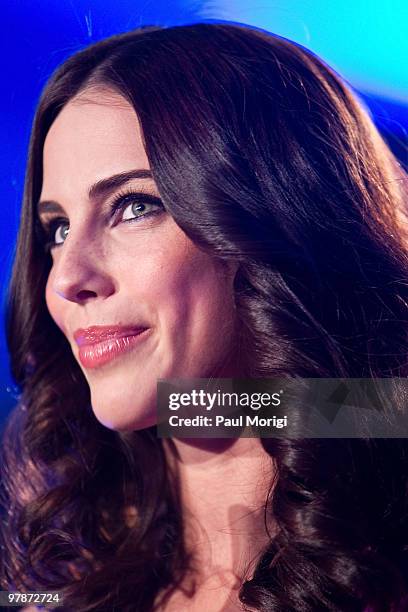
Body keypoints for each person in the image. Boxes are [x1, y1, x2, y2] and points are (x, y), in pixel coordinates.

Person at [1, 20, 408, 612]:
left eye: (134, 207)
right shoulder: (47, 585)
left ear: (273, 218)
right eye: (57, 230)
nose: (65, 280)